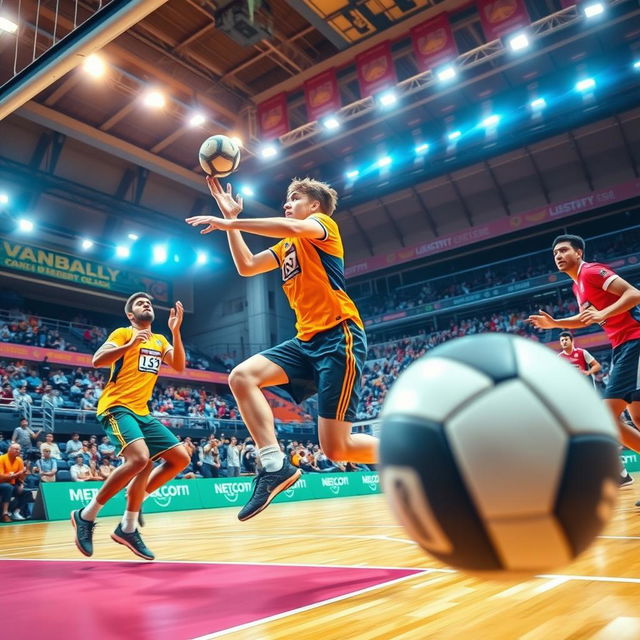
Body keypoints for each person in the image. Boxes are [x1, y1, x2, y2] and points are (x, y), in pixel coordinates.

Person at [186, 176, 378, 520]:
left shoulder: (323, 225)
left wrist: (231, 220)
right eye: (287, 200)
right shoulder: (287, 247)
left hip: (339, 335)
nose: (287, 204)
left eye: (294, 198)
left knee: (337, 448)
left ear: (314, 205)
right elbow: (247, 266)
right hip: (306, 341)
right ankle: (274, 465)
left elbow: (288, 224)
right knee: (241, 377)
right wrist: (232, 226)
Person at [71, 292, 190, 561]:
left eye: (148, 302)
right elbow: (97, 360)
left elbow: (180, 366)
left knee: (180, 458)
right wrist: (129, 344)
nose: (146, 304)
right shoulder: (124, 333)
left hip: (142, 412)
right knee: (140, 459)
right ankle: (86, 515)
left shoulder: (159, 340)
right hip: (116, 406)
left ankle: (127, 526)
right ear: (130, 314)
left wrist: (176, 331)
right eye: (139, 303)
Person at [529, 234, 640, 455]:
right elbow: (585, 318)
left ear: (579, 253)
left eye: (563, 250)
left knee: (606, 418)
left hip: (634, 341)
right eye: (555, 253)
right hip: (621, 346)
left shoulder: (590, 272)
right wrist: (555, 323)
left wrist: (603, 313)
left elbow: (634, 294)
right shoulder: (577, 285)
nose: (558, 255)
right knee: (637, 416)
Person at [0, 443, 28, 521]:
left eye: (19, 450)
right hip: (1, 483)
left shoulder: (19, 460)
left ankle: (16, 512)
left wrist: (22, 481)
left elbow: (21, 477)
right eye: (16, 449)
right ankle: (4, 513)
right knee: (8, 487)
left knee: (25, 491)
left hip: (12, 483)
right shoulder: (1, 459)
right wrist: (17, 474)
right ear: (9, 449)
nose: (18, 451)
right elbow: (1, 477)